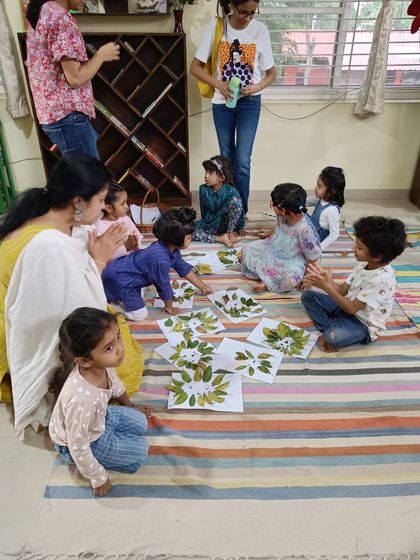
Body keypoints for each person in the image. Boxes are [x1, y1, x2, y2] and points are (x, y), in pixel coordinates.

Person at [0, 153, 143, 437]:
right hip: (21, 324)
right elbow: (78, 309)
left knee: (114, 335)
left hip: (40, 303)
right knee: (109, 347)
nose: (104, 208)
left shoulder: (52, 214)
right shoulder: (50, 247)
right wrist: (99, 261)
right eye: (102, 200)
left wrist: (94, 256)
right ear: (78, 201)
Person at [190, 0, 276, 221]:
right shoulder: (217, 27)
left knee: (243, 161)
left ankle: (241, 211)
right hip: (222, 103)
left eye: (252, 13)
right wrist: (219, 84)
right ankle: (227, 209)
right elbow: (195, 67)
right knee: (226, 159)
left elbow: (271, 73)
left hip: (249, 103)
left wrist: (256, 87)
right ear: (231, 5)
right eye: (243, 12)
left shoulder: (260, 30)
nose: (248, 17)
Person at [49, 307, 149, 497]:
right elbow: (77, 444)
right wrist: (98, 477)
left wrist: (131, 406)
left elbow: (116, 387)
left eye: (118, 337)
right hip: (82, 441)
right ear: (85, 361)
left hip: (100, 417)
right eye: (109, 348)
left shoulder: (103, 365)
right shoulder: (82, 400)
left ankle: (115, 435)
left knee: (141, 422)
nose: (120, 348)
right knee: (140, 453)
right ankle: (102, 456)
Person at [25, 0, 120, 159]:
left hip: (54, 115)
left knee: (80, 177)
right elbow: (76, 78)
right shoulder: (60, 18)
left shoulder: (43, 13)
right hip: (68, 117)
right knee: (90, 180)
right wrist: (101, 55)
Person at [301, 216, 407, 352]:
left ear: (377, 256)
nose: (352, 247)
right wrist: (327, 282)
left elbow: (351, 309)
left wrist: (326, 287)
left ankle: (330, 330)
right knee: (307, 296)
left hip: (362, 323)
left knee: (333, 337)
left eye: (359, 247)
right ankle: (331, 327)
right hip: (345, 306)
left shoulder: (382, 279)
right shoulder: (363, 263)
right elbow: (342, 291)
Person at [102, 207, 213, 321]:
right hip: (120, 282)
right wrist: (169, 307)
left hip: (122, 272)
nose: (191, 240)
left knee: (140, 295)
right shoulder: (160, 260)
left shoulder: (170, 246)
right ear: (176, 238)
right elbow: (163, 286)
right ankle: (110, 306)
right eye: (189, 238)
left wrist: (203, 287)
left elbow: (183, 268)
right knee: (140, 315)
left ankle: (118, 298)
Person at [241, 183, 321, 293]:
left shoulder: (304, 229)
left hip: (291, 260)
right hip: (273, 247)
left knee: (290, 280)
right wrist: (269, 234)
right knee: (246, 249)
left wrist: (307, 278)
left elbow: (313, 258)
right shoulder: (282, 216)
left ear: (283, 210)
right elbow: (279, 228)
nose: (271, 205)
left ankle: (267, 284)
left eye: (272, 204)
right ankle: (268, 276)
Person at [192, 155, 244, 248]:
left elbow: (239, 209)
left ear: (221, 178)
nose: (206, 175)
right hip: (211, 223)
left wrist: (240, 226)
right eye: (206, 172)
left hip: (227, 225)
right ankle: (219, 238)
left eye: (210, 173)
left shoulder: (231, 190)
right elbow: (203, 210)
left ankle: (229, 234)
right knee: (185, 231)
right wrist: (204, 223)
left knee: (235, 201)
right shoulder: (203, 189)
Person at [96, 183, 143, 260]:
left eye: (126, 202)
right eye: (123, 204)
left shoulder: (125, 219)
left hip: (131, 257)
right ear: (109, 208)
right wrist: (125, 248)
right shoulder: (100, 226)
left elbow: (137, 234)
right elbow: (103, 253)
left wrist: (136, 242)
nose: (127, 206)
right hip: (113, 263)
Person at [306, 166, 346, 250]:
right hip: (310, 229)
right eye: (317, 185)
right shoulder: (320, 199)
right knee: (299, 210)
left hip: (316, 238)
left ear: (331, 191)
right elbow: (305, 201)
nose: (316, 188)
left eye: (320, 186)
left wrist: (319, 248)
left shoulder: (331, 210)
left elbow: (334, 234)